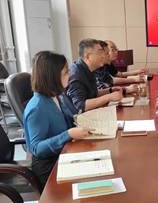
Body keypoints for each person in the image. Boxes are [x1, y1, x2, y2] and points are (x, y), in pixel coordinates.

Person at [23, 51, 91, 186]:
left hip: (64, 152)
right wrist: (68, 134)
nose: (70, 74)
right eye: (66, 72)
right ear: (52, 76)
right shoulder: (37, 107)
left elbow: (67, 120)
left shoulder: (57, 96)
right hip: (49, 165)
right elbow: (37, 148)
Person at [66, 39, 123, 112]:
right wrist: (109, 97)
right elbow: (81, 106)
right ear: (88, 57)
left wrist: (110, 90)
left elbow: (93, 93)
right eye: (100, 53)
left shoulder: (90, 68)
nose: (103, 56)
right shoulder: (76, 74)